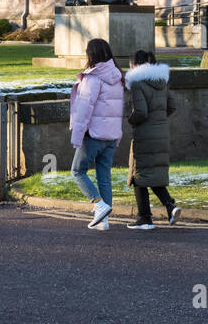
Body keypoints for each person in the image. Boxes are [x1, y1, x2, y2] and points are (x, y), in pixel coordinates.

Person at [69, 38, 125, 230]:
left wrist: (76, 137)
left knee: (77, 171)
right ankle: (105, 221)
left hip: (93, 135)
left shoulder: (93, 78)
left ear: (90, 54)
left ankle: (98, 204)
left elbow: (84, 109)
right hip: (111, 135)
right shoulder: (117, 76)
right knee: (104, 177)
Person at [124, 49, 180, 229]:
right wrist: (159, 120)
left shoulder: (137, 83)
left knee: (138, 175)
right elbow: (172, 106)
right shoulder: (161, 81)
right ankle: (170, 205)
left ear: (134, 65)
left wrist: (130, 120)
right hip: (161, 132)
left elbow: (140, 112)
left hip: (145, 134)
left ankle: (144, 218)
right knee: (151, 173)